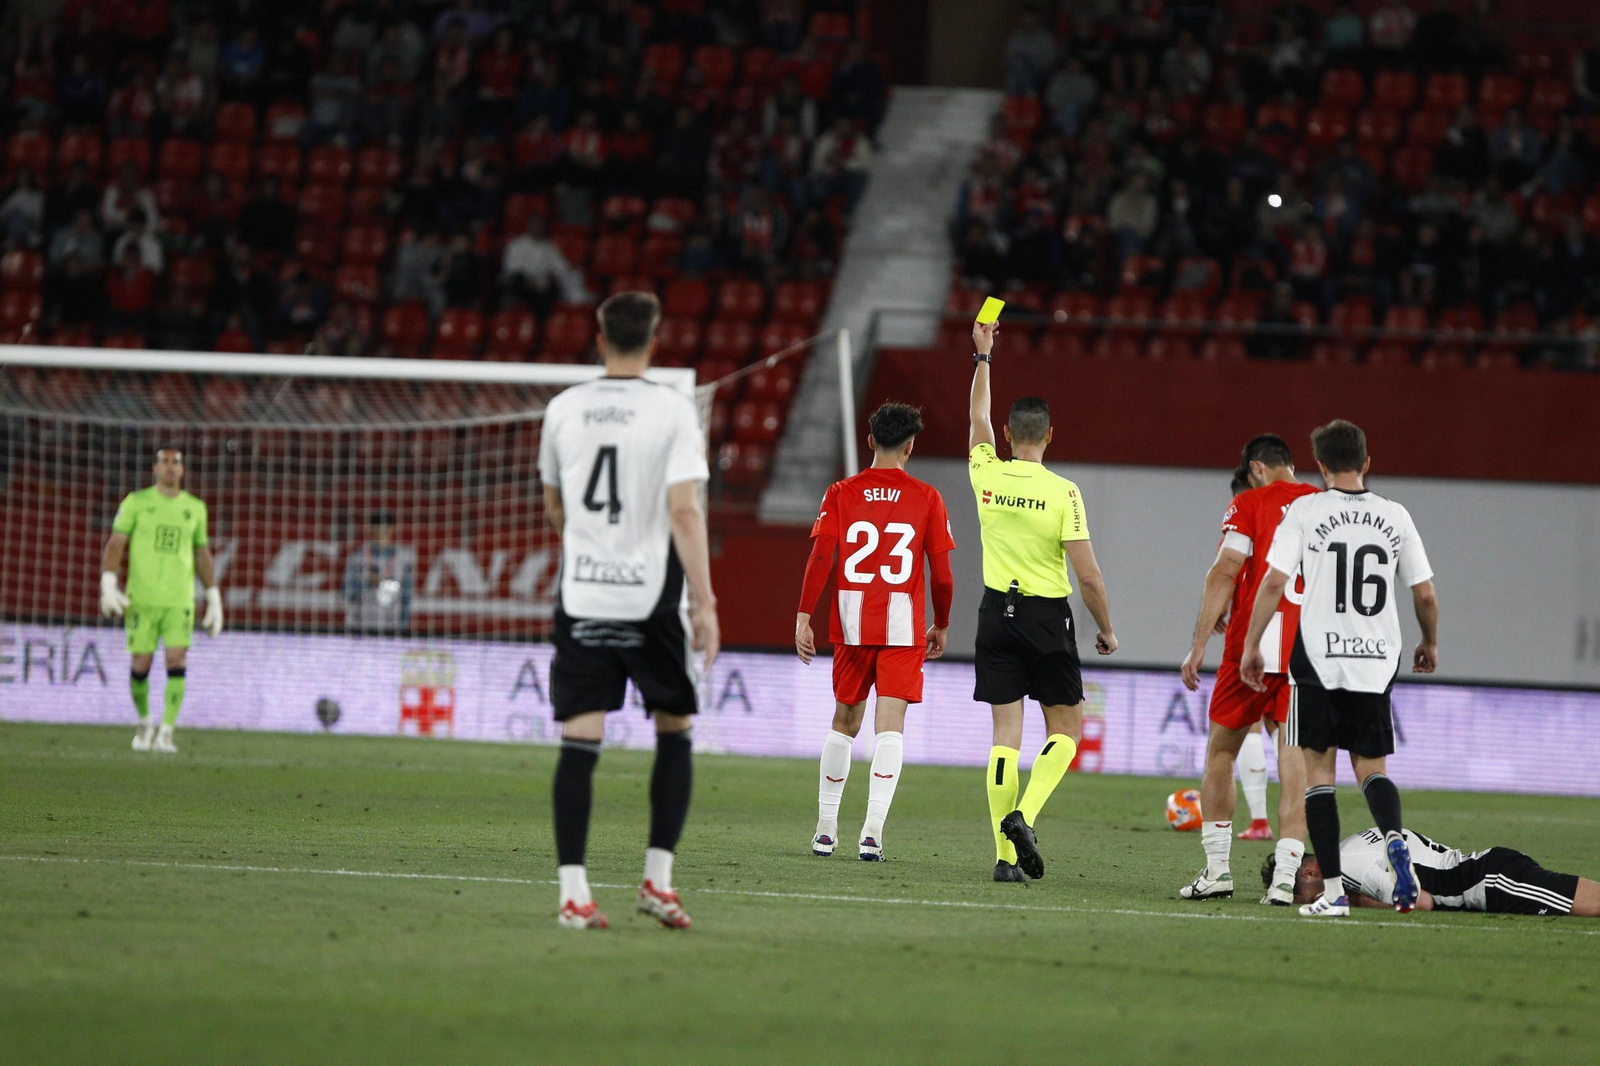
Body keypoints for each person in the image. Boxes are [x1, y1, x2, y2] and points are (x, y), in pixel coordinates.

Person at [537, 292, 718, 931]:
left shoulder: (563, 409)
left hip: (582, 590)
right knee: (675, 728)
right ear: (655, 339)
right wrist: (705, 600)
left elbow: (555, 505)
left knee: (579, 739)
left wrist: (587, 547)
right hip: (650, 597)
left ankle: (572, 894)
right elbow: (684, 510)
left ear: (597, 335)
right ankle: (657, 882)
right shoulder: (672, 411)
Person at [1241, 420, 1441, 918]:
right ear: (1366, 463)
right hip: (1377, 658)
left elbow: (1272, 583)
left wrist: (1251, 644)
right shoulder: (1395, 515)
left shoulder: (1306, 510)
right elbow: (1425, 593)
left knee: (1319, 776)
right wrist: (1429, 642)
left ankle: (1332, 892)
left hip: (1320, 658)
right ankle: (1395, 837)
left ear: (1322, 466)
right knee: (1372, 768)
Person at [967, 319, 1117, 883]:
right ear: (1049, 436)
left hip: (993, 615)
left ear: (1007, 435)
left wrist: (984, 357)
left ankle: (1005, 862)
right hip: (1046, 618)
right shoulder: (1063, 492)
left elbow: (976, 417)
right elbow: (1090, 576)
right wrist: (1107, 629)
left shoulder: (986, 474)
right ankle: (1025, 817)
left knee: (1005, 737)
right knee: (1066, 732)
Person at [795, 403, 956, 862]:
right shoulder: (927, 497)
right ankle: (872, 834)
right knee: (891, 727)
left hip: (851, 623)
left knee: (844, 723)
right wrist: (941, 623)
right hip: (903, 627)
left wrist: (804, 615)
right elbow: (942, 576)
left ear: (870, 441)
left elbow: (821, 558)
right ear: (910, 446)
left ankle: (825, 830)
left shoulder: (840, 492)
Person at [1178, 435, 1318, 903]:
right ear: (1291, 465)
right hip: (1307, 650)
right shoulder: (1324, 505)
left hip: (1250, 648)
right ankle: (1284, 879)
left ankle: (1218, 870)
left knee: (1222, 750)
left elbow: (1224, 570)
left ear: (1257, 467)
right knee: (1293, 755)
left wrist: (1198, 645)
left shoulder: (1247, 504)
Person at [98, 447, 224, 754]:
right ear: (155, 468)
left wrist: (213, 596)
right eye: (165, 462)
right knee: (141, 663)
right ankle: (144, 722)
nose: (170, 467)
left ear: (182, 470)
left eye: (176, 462)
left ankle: (167, 731)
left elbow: (201, 553)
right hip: (141, 598)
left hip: (180, 599)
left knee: (176, 660)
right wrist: (108, 582)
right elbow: (116, 544)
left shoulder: (195, 508)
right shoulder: (137, 502)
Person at [1267, 828, 1600, 917]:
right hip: (1491, 873)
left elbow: (1421, 902)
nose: (1302, 900)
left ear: (1309, 873)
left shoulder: (1351, 866)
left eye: (1294, 892)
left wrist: (1356, 901)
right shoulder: (1352, 844)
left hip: (1493, 882)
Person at [342, 511, 416, 634]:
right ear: (371, 529)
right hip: (359, 624)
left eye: (385, 528)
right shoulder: (357, 556)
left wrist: (403, 627)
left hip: (390, 625)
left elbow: (407, 597)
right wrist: (366, 583)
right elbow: (346, 592)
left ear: (392, 529)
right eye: (377, 528)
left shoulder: (403, 559)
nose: (381, 532)